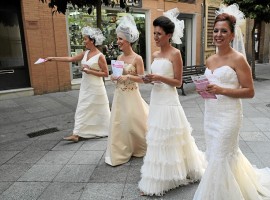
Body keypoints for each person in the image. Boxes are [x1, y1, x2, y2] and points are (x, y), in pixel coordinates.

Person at [193, 4, 270, 200]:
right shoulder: (210, 59)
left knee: (220, 155)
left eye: (223, 31)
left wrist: (221, 90)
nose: (218, 34)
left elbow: (250, 91)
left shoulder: (238, 59)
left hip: (228, 116)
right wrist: (205, 90)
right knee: (217, 154)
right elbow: (212, 84)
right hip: (211, 114)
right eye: (216, 30)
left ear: (232, 35)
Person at [138, 8, 206, 196]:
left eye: (159, 34)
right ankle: (159, 176)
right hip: (157, 98)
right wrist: (148, 79)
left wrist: (159, 76)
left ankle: (167, 178)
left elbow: (178, 82)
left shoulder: (175, 54)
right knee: (157, 138)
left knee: (170, 137)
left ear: (169, 35)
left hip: (169, 99)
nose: (155, 37)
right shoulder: (154, 54)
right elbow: (156, 77)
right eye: (154, 33)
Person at [46, 26, 111, 142]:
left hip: (96, 87)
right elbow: (70, 59)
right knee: (82, 108)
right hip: (86, 86)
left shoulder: (100, 56)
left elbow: (106, 74)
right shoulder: (85, 53)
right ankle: (77, 133)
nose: (84, 41)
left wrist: (89, 70)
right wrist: (53, 58)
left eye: (85, 39)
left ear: (92, 41)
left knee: (97, 109)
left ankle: (104, 129)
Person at [105, 15, 149, 166]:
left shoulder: (138, 58)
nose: (118, 42)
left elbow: (143, 79)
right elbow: (118, 75)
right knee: (120, 121)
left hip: (132, 94)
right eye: (117, 39)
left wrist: (128, 77)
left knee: (133, 120)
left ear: (128, 41)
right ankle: (121, 149)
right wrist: (113, 77)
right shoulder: (119, 56)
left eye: (120, 39)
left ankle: (137, 146)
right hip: (119, 95)